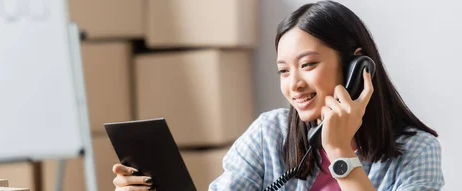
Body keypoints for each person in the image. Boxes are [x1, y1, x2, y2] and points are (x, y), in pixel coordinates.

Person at [110, 1, 445, 190]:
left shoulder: (416, 150)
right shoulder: (270, 134)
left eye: (308, 64)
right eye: (284, 71)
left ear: (358, 66)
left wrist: (341, 152)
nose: (294, 84)